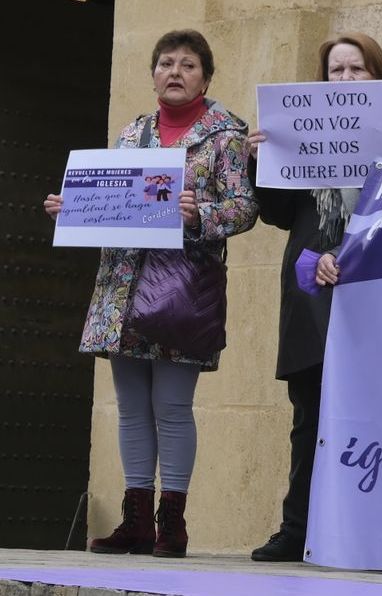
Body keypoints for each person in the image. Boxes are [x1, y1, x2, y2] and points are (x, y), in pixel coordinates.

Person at [43, 29, 258, 558]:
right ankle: (135, 520)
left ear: (205, 77)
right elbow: (112, 201)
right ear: (154, 74)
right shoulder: (133, 133)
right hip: (122, 286)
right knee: (132, 406)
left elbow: (244, 207)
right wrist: (72, 211)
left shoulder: (225, 136)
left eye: (188, 65)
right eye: (166, 63)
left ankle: (173, 525)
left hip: (182, 290)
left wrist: (198, 214)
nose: (176, 72)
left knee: (172, 405)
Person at [245, 33, 382, 562]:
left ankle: (374, 526)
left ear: (378, 76)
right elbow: (281, 213)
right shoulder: (307, 134)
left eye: (358, 70)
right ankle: (297, 527)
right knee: (309, 410)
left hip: (377, 287)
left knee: (381, 407)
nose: (347, 80)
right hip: (312, 284)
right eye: (337, 71)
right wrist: (260, 160)